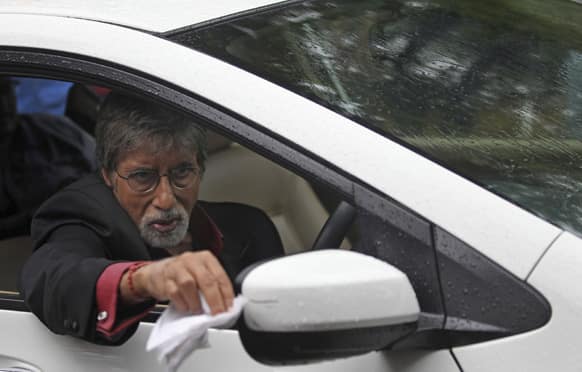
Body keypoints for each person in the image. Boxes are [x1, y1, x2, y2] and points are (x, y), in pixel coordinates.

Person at [20, 92, 284, 345]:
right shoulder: (81, 215)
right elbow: (54, 277)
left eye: (182, 172)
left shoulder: (250, 227)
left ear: (201, 168)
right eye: (143, 177)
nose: (166, 199)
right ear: (108, 176)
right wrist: (143, 280)